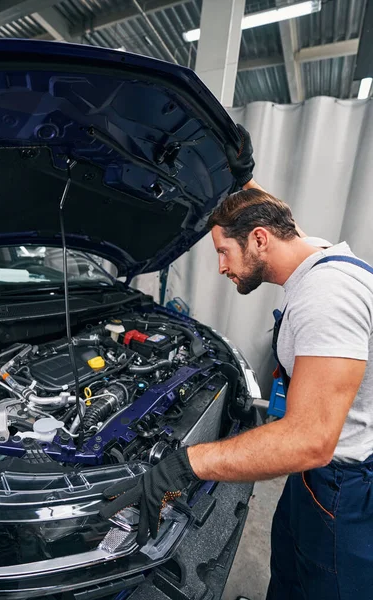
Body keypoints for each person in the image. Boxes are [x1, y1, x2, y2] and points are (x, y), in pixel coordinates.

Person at [100, 126, 373, 600]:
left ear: (260, 240)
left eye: (223, 252)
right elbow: (272, 213)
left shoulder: (326, 297)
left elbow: (310, 441)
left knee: (326, 584)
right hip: (319, 482)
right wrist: (239, 179)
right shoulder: (315, 258)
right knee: (290, 570)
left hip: (343, 486)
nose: (222, 267)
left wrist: (185, 464)